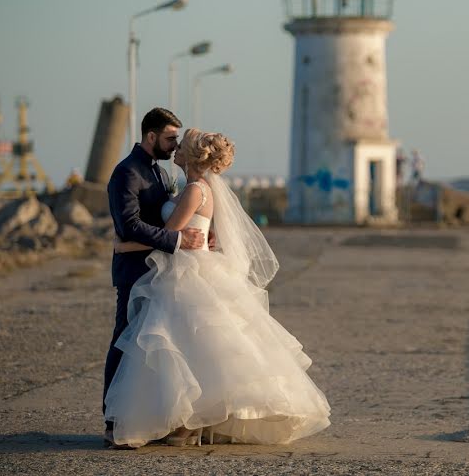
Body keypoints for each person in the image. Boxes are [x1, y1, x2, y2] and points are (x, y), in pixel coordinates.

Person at [104, 128, 331, 448]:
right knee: (190, 346)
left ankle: (188, 422)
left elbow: (170, 235)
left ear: (193, 156)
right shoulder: (194, 187)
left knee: (184, 345)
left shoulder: (196, 189)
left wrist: (124, 246)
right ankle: (187, 421)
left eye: (181, 147)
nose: (176, 151)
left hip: (188, 271)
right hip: (189, 266)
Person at [103, 108, 206, 448]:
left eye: (177, 139)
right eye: (170, 138)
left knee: (157, 345)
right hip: (135, 271)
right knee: (126, 339)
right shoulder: (126, 173)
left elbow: (177, 215)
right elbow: (129, 225)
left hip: (161, 273)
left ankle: (157, 416)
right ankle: (113, 419)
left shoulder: (160, 173)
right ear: (151, 136)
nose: (174, 144)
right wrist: (176, 240)